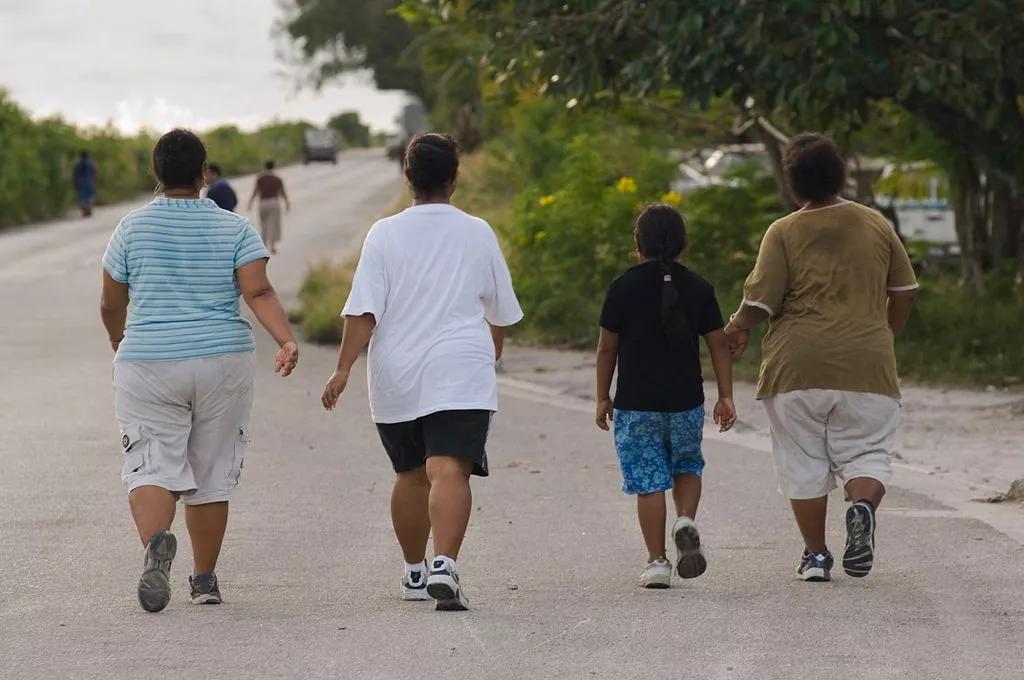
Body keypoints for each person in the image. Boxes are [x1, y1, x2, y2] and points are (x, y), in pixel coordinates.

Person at [321, 133, 522, 612]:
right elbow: (499, 309)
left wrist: (343, 368)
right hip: (461, 368)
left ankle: (415, 572)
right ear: (454, 178)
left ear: (407, 176)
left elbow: (364, 311)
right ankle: (444, 565)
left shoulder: (383, 234)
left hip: (397, 372)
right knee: (450, 468)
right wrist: (492, 344)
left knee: (411, 475)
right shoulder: (478, 231)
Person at [100, 129, 299, 613]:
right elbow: (259, 293)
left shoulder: (130, 228)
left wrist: (120, 342)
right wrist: (285, 339)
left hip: (148, 361)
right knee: (210, 472)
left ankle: (156, 545)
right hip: (221, 363)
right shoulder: (234, 228)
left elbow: (111, 303)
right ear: (203, 173)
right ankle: (205, 580)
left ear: (157, 174)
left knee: (149, 463)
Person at [724, 133, 918, 583]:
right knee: (869, 452)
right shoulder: (875, 224)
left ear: (792, 184)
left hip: (796, 366)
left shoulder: (784, 230)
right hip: (868, 363)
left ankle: (815, 556)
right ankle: (863, 507)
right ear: (840, 174)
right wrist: (884, 334)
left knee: (802, 460)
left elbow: (761, 304)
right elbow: (904, 292)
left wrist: (736, 325)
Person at [595, 204, 737, 589]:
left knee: (649, 481)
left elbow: (607, 349)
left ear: (637, 244)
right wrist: (726, 396)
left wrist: (602, 396)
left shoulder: (622, 288)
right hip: (685, 402)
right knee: (687, 465)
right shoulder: (699, 288)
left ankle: (657, 561)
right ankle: (686, 518)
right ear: (682, 243)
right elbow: (719, 346)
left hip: (636, 403)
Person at [248, 159, 290, 254]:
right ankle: (272, 246)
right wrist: (287, 202)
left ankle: (263, 245)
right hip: (274, 202)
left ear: (264, 166)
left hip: (263, 202)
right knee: (273, 224)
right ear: (273, 166)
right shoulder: (277, 178)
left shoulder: (260, 178)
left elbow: (255, 191)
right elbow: (282, 192)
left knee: (264, 224)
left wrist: (250, 202)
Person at [73, 150, 97, 217]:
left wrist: (75, 184)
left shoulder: (77, 164)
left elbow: (75, 175)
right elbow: (94, 174)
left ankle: (85, 210)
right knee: (89, 197)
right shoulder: (91, 164)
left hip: (81, 183)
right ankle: (88, 210)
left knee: (82, 197)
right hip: (89, 182)